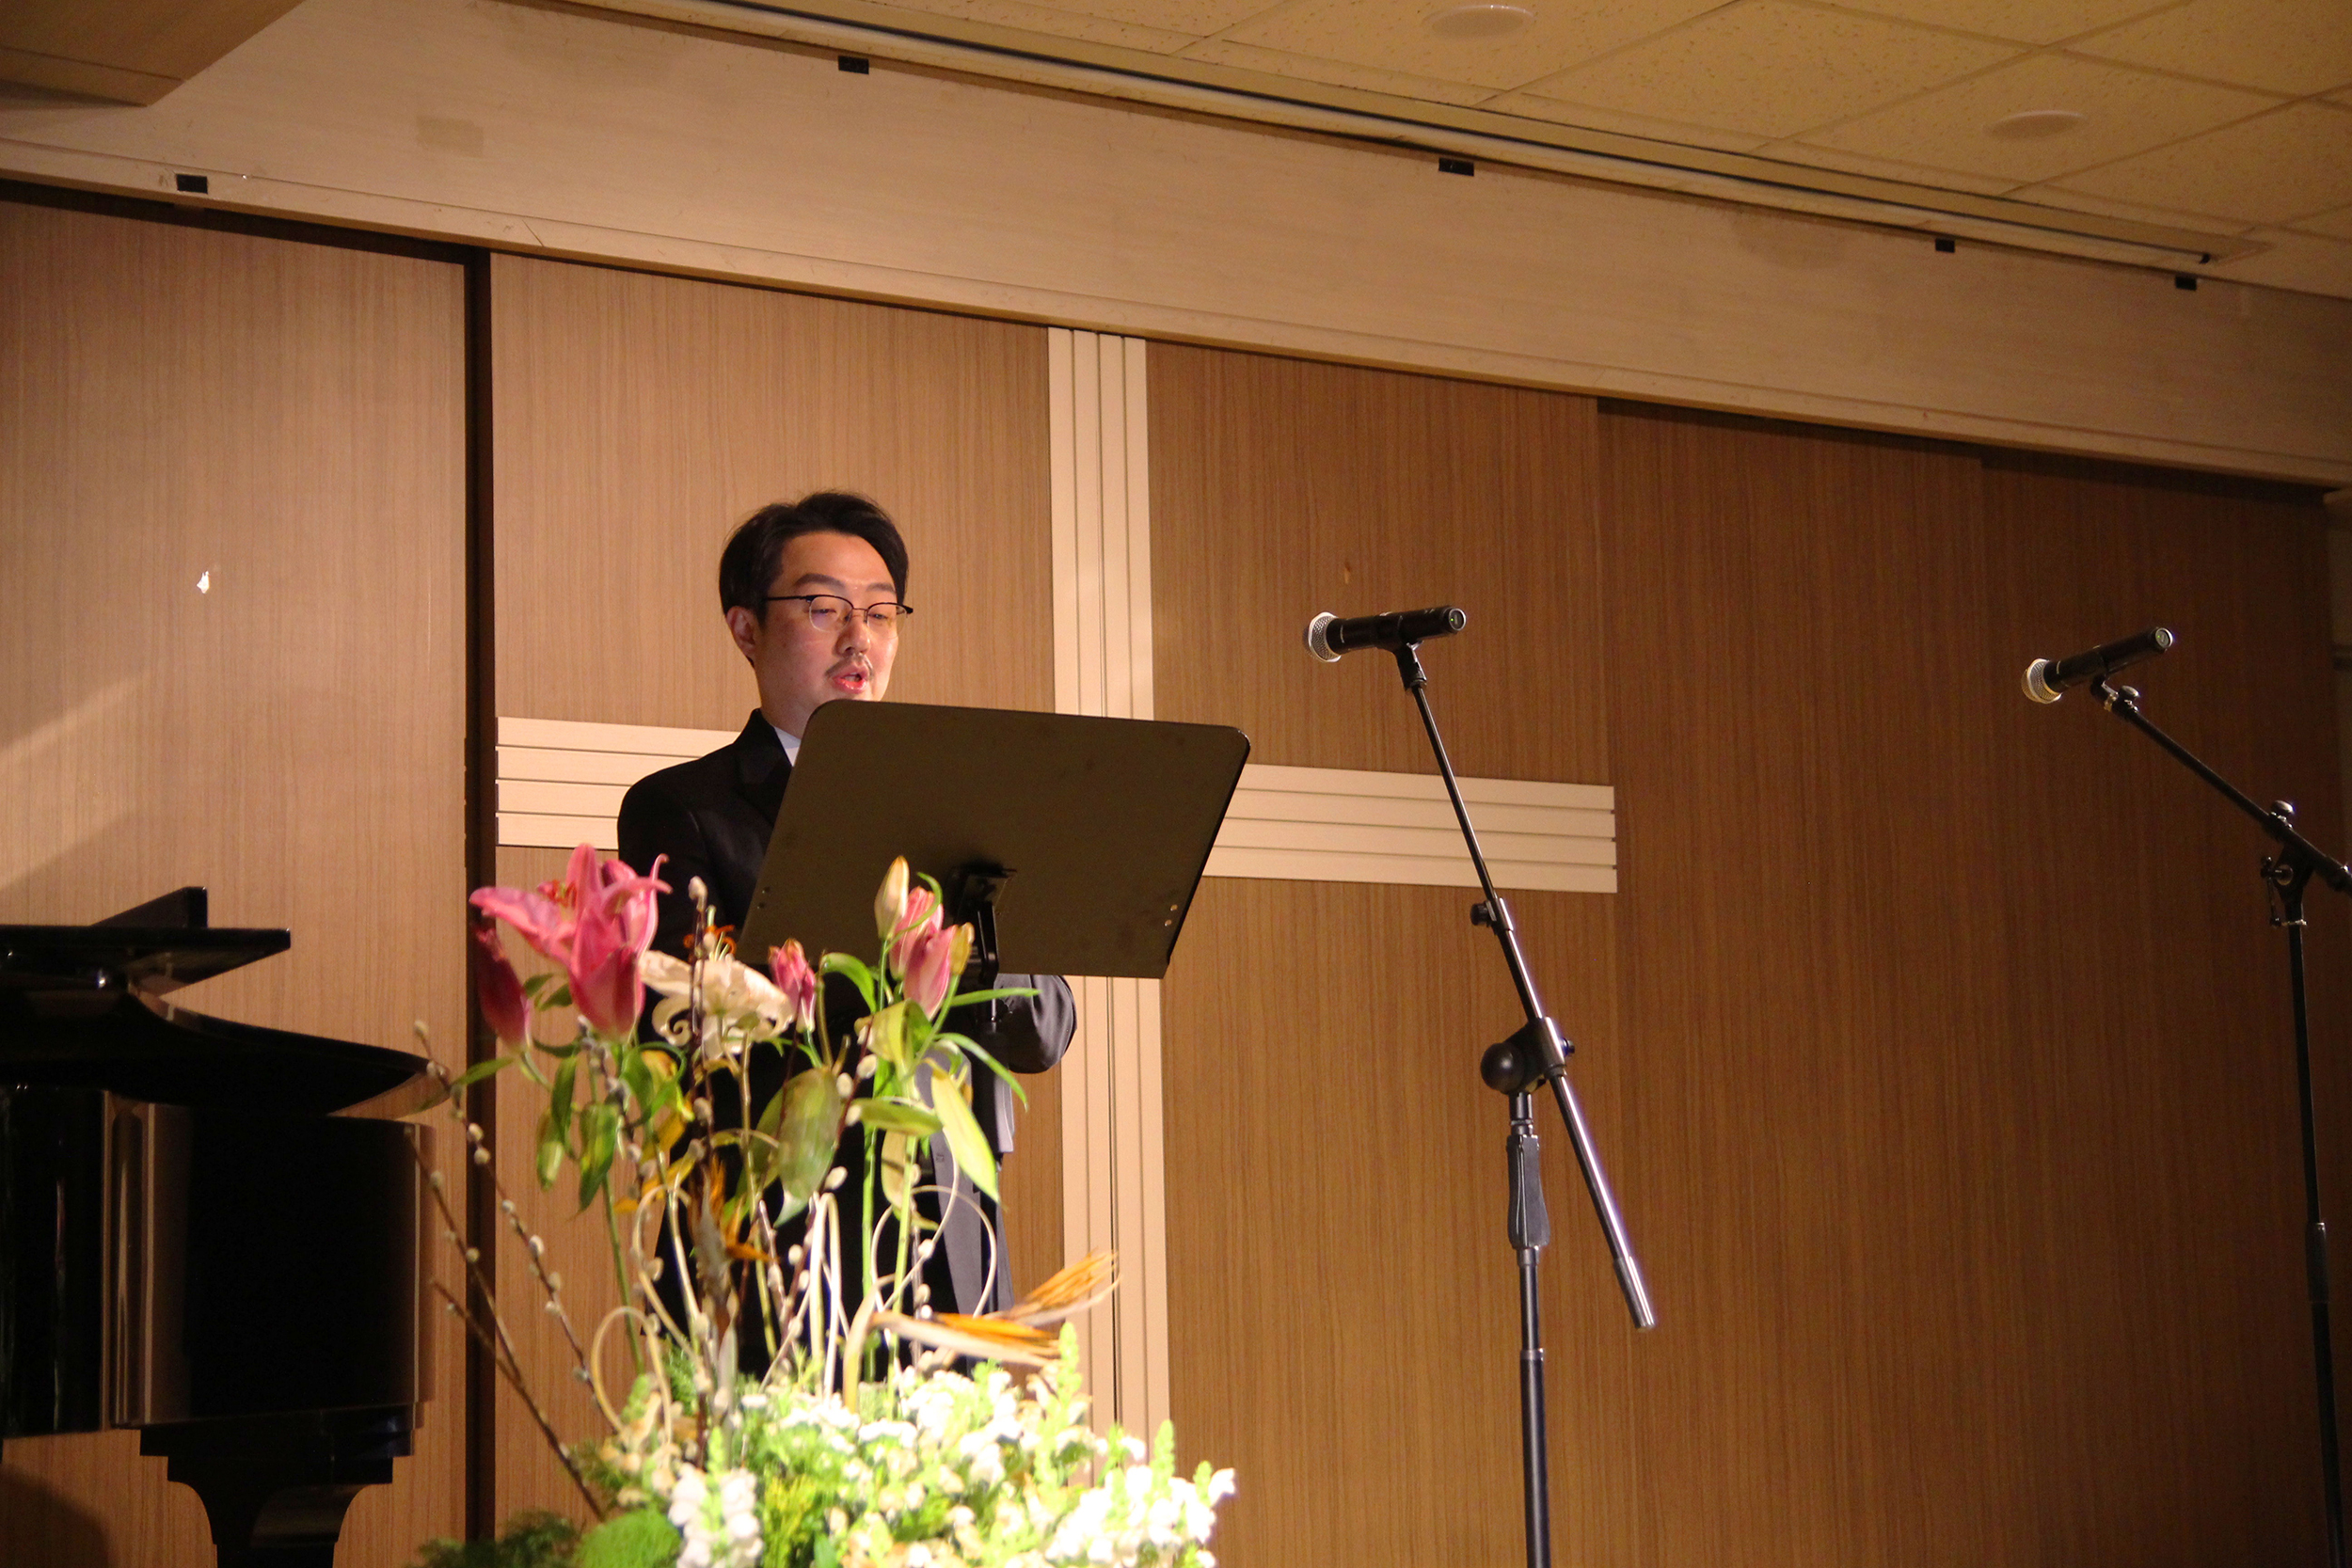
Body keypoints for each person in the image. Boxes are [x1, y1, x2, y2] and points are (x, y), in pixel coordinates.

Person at [617, 491, 1073, 1323]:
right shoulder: (682, 808)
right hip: (769, 1236)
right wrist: (895, 987)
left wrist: (958, 959)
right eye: (824, 608)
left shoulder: (959, 808)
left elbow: (1044, 1029)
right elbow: (680, 1033)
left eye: (881, 612)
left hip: (950, 1239)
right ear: (746, 629)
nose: (860, 637)